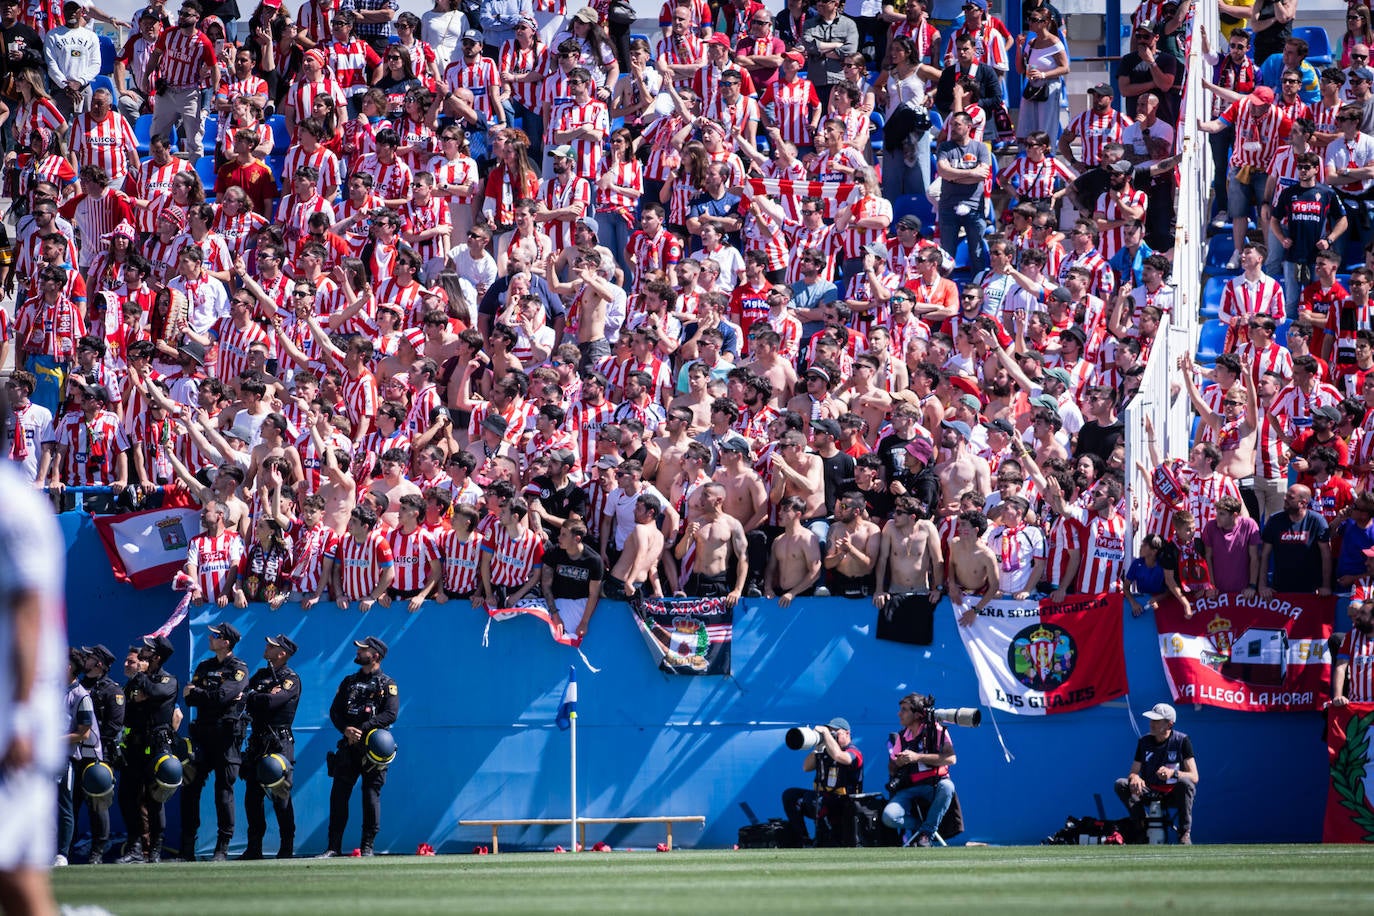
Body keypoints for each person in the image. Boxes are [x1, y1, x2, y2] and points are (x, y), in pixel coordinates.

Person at [0, 385, 64, 910]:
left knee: (16, 874)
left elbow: (28, 611)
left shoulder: (10, 502)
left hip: (11, 710)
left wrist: (17, 719)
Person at [320, 636, 398, 858]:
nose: (357, 652)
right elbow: (335, 712)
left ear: (375, 656)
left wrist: (362, 729)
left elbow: (390, 714)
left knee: (371, 795)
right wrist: (346, 729)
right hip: (348, 747)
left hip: (373, 750)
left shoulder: (387, 684)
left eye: (363, 650)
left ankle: (367, 848)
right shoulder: (348, 681)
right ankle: (333, 847)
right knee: (338, 796)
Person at [179, 621, 248, 862]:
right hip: (202, 735)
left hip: (225, 736)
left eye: (215, 636)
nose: (210, 639)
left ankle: (222, 847)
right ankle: (187, 847)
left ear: (226, 642)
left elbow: (222, 696)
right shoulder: (204, 665)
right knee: (190, 788)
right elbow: (189, 699)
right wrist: (204, 696)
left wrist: (199, 694)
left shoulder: (238, 668)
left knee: (223, 791)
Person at [117, 635, 180, 864]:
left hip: (157, 744)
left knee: (155, 799)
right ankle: (134, 847)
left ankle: (155, 849)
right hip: (135, 744)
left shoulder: (168, 680)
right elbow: (130, 708)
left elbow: (155, 694)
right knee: (127, 796)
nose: (143, 653)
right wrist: (142, 691)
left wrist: (143, 681)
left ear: (157, 657)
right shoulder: (135, 681)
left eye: (148, 651)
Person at [242, 634, 301, 860]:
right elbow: (245, 697)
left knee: (280, 795)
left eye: (272, 646)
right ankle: (254, 848)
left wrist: (258, 696)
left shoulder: (290, 678)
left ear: (282, 653)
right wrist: (260, 695)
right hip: (258, 742)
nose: (266, 648)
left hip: (279, 742)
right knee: (252, 797)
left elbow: (273, 702)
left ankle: (286, 847)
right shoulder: (260, 675)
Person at [1114, 702, 1199, 845]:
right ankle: (1142, 827)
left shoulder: (1182, 741)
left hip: (1172, 795)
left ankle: (1184, 833)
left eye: (1156, 720)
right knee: (1121, 784)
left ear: (1169, 724)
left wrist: (1174, 773)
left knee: (1186, 784)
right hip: (1149, 792)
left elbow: (1194, 777)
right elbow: (1133, 772)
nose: (1151, 724)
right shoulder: (1144, 742)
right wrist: (1135, 778)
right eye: (1151, 720)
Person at [881, 693, 956, 848]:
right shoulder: (901, 736)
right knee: (889, 817)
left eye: (904, 710)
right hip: (909, 787)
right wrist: (898, 762)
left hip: (934, 785)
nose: (899, 714)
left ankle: (926, 834)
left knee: (948, 786)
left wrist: (917, 757)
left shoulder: (937, 730)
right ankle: (924, 827)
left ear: (917, 714)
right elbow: (893, 767)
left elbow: (951, 759)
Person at [780, 717, 863, 847]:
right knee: (790, 795)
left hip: (844, 801)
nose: (831, 735)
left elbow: (842, 758)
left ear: (847, 733)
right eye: (829, 732)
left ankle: (827, 834)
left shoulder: (853, 751)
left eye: (835, 732)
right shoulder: (825, 751)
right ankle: (803, 839)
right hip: (824, 798)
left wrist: (826, 735)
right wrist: (819, 746)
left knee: (813, 799)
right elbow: (806, 767)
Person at [1258, 484, 1332, 596]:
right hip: (1280, 590)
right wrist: (1262, 586)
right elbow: (1264, 555)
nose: (1284, 499)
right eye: (1286, 495)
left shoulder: (1317, 521)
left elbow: (1326, 556)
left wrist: (1326, 586)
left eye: (1290, 497)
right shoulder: (1274, 520)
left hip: (1311, 591)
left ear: (1303, 503)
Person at [1332, 597, 1374, 705]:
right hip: (1356, 706)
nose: (1357, 617)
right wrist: (1338, 696)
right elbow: (1341, 667)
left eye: (1363, 614)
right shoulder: (1351, 636)